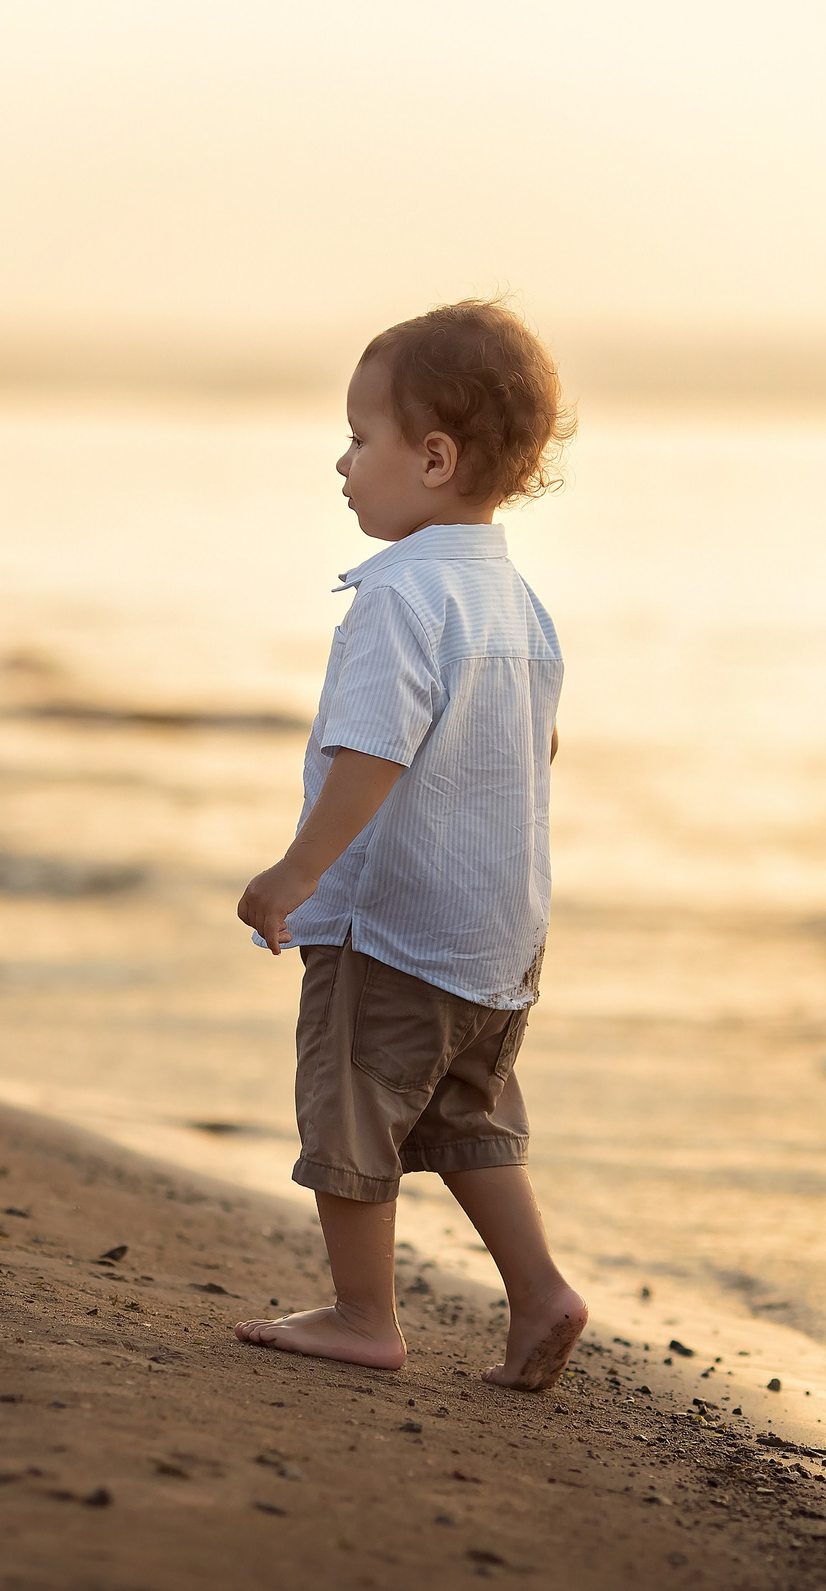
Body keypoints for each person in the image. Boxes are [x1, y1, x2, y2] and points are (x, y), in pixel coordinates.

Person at [232, 300, 587, 1391]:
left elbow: (371, 751)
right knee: (465, 1115)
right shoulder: (514, 600)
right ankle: (540, 1294)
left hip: (393, 922)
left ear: (432, 458)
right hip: (497, 935)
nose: (340, 464)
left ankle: (361, 1313)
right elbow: (541, 747)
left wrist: (297, 871)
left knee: (351, 1098)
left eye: (357, 438)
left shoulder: (397, 596)